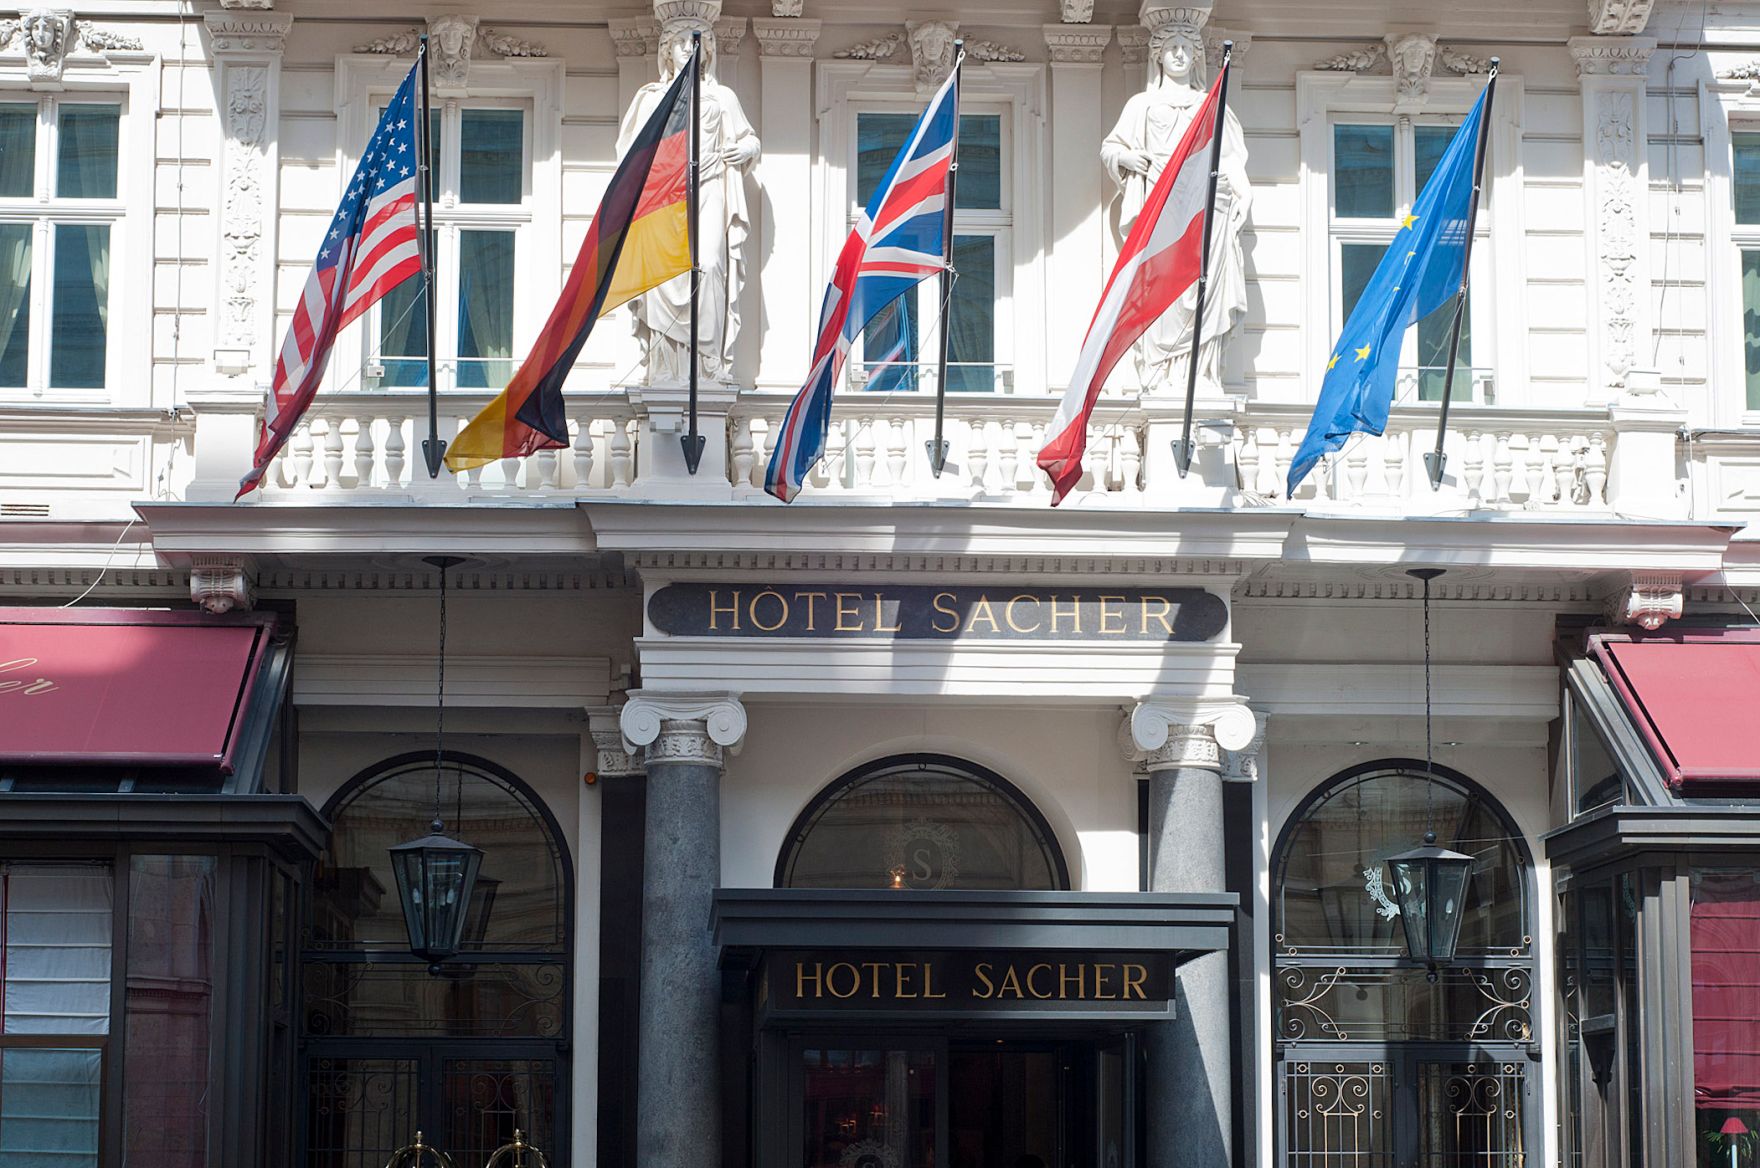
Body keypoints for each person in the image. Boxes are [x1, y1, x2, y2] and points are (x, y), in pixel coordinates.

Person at [1099, 21, 1251, 394]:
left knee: (1204, 287)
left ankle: (1200, 376)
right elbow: (1110, 147)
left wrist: (1238, 189)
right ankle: (1162, 373)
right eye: (1172, 48)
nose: (1180, 54)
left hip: (1203, 206)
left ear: (1196, 56)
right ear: (1159, 57)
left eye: (1187, 47)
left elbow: (1230, 158)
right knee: (1161, 289)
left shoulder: (1210, 105)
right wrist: (1128, 158)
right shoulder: (1142, 105)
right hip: (1161, 204)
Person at [616, 25, 760, 384]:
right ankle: (665, 365)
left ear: (707, 50)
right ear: (666, 50)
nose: (687, 48)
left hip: (710, 186)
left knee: (709, 265)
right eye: (679, 42)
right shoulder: (651, 98)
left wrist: (747, 149)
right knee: (664, 274)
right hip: (666, 197)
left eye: (695, 42)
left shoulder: (722, 96)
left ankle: (708, 363)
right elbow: (630, 156)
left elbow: (749, 139)